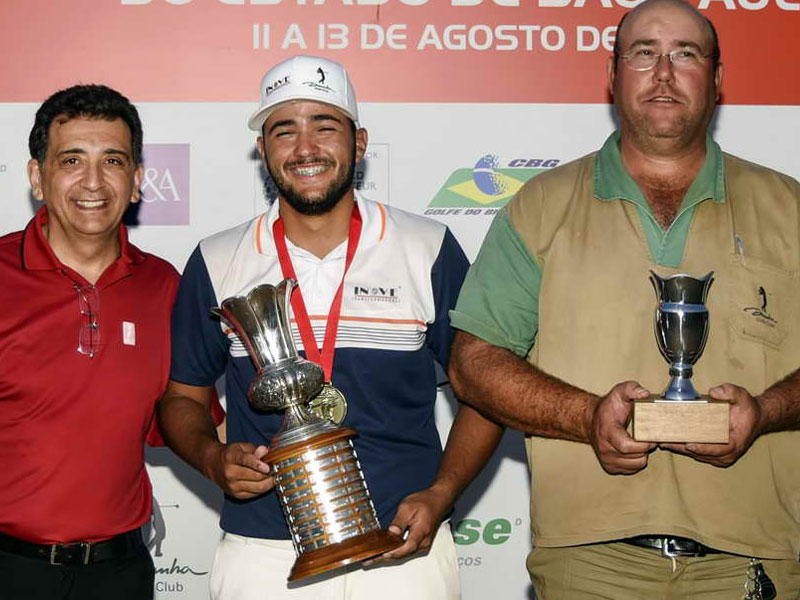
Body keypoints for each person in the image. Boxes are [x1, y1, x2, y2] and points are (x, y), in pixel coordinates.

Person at [448, 0, 800, 597]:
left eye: (685, 54)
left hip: (754, 559)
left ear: (716, 79)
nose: (663, 72)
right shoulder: (542, 206)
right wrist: (587, 417)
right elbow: (474, 363)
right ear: (612, 78)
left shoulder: (788, 208)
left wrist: (764, 412)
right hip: (589, 563)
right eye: (643, 54)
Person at [158, 55, 499, 600]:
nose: (305, 148)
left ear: (359, 143)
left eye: (325, 125)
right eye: (284, 130)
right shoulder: (219, 258)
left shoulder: (426, 248)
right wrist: (212, 458)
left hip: (403, 548)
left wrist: (442, 493)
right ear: (263, 149)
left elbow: (489, 391)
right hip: (263, 555)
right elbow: (182, 397)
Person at [0, 85, 177, 600]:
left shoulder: (164, 286)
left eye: (114, 161)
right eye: (72, 159)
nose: (94, 182)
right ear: (38, 176)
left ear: (137, 180)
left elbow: (186, 412)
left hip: (120, 574)